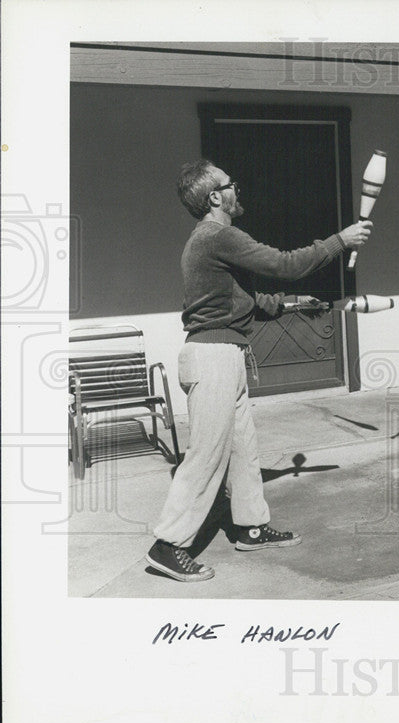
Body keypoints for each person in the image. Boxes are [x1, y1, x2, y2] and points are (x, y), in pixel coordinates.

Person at [145, 159, 372, 582]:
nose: (238, 189)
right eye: (231, 184)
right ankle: (168, 544)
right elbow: (285, 264)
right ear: (216, 196)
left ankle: (250, 527)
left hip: (224, 356)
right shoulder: (218, 236)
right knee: (207, 456)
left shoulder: (210, 243)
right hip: (212, 359)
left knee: (242, 453)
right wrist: (340, 240)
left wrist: (295, 302)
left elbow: (242, 303)